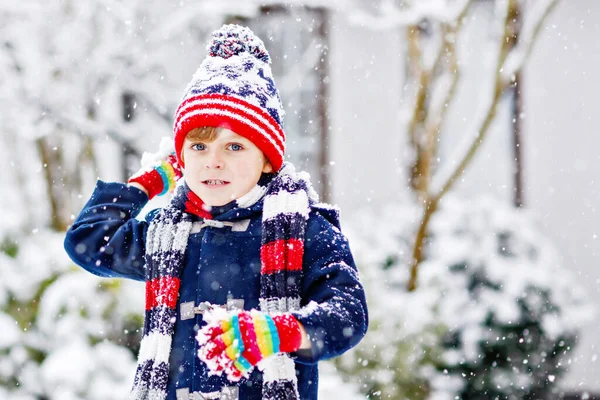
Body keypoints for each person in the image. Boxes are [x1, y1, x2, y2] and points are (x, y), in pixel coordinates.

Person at [64, 24, 367, 400]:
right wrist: (147, 184)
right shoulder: (168, 233)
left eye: (235, 147)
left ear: (268, 160)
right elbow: (89, 242)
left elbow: (347, 315)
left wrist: (280, 333)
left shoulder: (303, 229)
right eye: (199, 148)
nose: (214, 163)